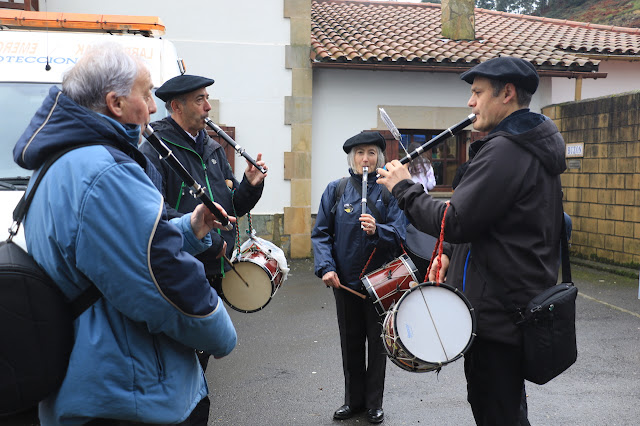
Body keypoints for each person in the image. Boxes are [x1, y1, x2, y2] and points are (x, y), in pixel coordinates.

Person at [12, 43, 237, 425]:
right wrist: (220, 331)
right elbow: (162, 282)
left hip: (95, 381)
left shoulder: (62, 159)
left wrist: (190, 227)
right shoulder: (105, 171)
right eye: (147, 93)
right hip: (129, 393)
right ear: (115, 103)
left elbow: (115, 253)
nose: (152, 107)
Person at [377, 56, 567, 425]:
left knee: (498, 413)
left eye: (478, 93)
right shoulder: (518, 146)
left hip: (499, 315)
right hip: (506, 309)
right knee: (503, 408)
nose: (470, 102)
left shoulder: (508, 150)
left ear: (507, 93)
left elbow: (457, 219)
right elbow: (485, 221)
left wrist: (403, 187)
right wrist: (448, 253)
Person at [139, 73, 267, 424]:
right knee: (179, 365)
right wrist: (205, 234)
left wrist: (250, 186)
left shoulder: (212, 148)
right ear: (176, 105)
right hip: (180, 270)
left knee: (198, 362)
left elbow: (229, 210)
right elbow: (153, 217)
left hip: (213, 272)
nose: (208, 106)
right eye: (200, 100)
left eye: (207, 98)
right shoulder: (154, 149)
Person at [311, 132, 407, 424]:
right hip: (345, 282)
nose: (365, 159)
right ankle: (353, 401)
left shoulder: (388, 191)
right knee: (350, 342)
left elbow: (401, 232)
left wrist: (379, 230)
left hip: (381, 283)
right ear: (351, 158)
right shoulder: (336, 190)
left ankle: (374, 404)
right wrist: (326, 267)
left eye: (371, 153)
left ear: (380, 157)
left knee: (378, 345)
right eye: (359, 153)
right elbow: (321, 234)